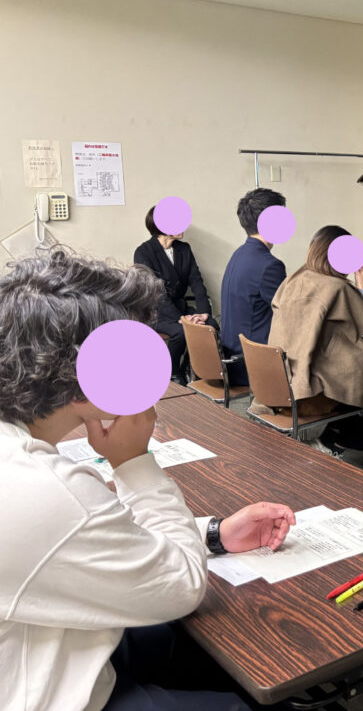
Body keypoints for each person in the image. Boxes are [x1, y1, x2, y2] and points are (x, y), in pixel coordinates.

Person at [0, 248, 296, 711]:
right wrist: (133, 460)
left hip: (48, 640)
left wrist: (213, 533)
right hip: (47, 692)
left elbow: (76, 541)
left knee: (194, 649)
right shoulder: (45, 488)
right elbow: (183, 586)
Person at [268, 225, 363, 453]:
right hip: (307, 395)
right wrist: (360, 285)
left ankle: (329, 437)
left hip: (279, 384)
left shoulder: (293, 280)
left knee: (359, 377)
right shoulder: (337, 288)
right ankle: (334, 445)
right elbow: (361, 331)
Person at [134, 206, 213, 381]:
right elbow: (155, 293)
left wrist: (203, 312)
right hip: (156, 312)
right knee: (182, 332)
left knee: (211, 325)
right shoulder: (143, 252)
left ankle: (188, 367)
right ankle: (172, 372)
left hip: (180, 306)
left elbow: (196, 281)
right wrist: (182, 319)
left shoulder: (184, 249)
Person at [220, 188, 288, 387]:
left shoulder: (239, 254)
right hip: (252, 364)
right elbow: (289, 315)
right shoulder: (270, 265)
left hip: (232, 357)